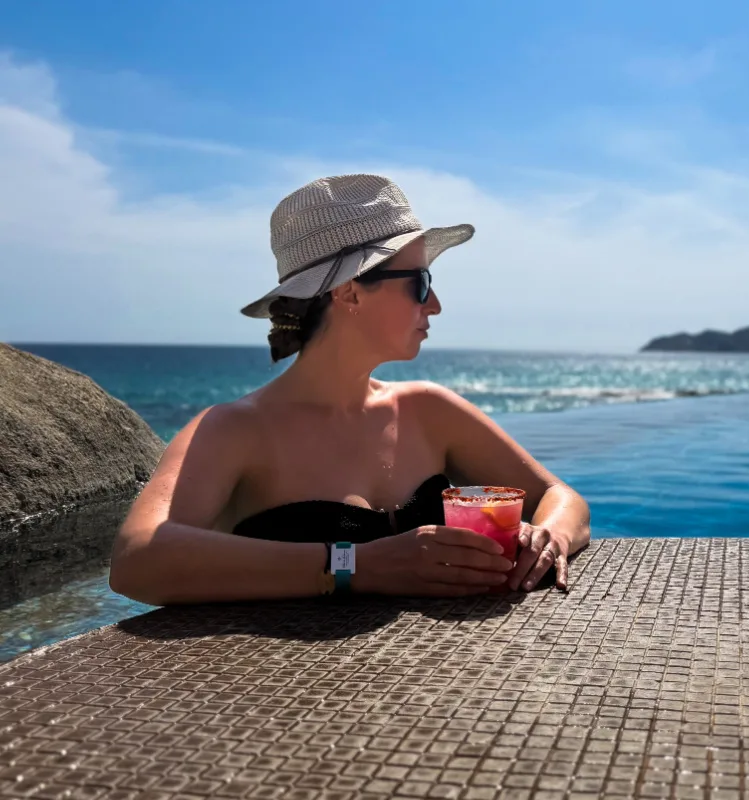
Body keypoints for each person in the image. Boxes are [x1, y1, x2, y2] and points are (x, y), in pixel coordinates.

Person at [109, 175, 591, 605]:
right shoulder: (235, 429)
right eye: (421, 283)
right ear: (349, 291)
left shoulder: (429, 409)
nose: (437, 305)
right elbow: (136, 562)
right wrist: (359, 566)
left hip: (437, 690)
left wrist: (546, 539)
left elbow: (559, 497)